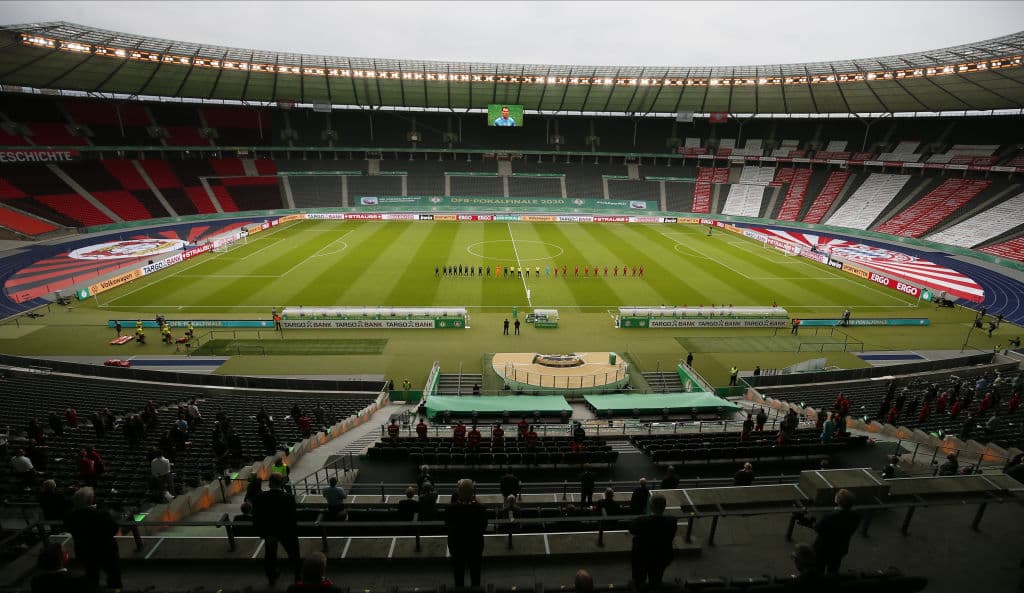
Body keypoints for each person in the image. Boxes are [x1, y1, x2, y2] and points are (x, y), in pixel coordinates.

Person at [66, 487, 122, 591]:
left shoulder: (70, 515)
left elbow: (70, 528)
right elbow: (113, 529)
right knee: (113, 574)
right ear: (90, 500)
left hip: (84, 550)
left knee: (91, 573)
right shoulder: (100, 514)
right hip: (105, 550)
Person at [253, 473, 301, 586]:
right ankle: (298, 576)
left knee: (270, 556)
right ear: (282, 483)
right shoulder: (288, 497)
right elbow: (292, 517)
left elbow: (257, 516)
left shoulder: (260, 497)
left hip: (269, 532)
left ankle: (271, 576)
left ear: (269, 484)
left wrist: (262, 533)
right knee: (294, 554)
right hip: (286, 532)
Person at [445, 479, 488, 588]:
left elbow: (448, 526)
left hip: (457, 547)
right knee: (475, 574)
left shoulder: (451, 509)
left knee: (458, 574)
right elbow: (484, 527)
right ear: (473, 493)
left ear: (459, 492)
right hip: (475, 546)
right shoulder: (480, 509)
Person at [628, 493, 677, 588]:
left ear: (651, 506)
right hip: (662, 556)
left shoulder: (640, 521)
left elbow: (631, 530)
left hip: (642, 556)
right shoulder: (672, 521)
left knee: (639, 580)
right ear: (664, 506)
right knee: (656, 579)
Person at [809, 488, 859, 574]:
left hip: (823, 548)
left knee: (819, 569)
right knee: (833, 569)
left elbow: (819, 529)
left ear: (838, 500)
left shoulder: (830, 516)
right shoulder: (855, 515)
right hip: (840, 547)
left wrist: (813, 524)